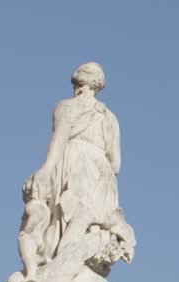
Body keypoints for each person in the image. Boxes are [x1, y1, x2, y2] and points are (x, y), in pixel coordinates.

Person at [32, 61, 121, 261]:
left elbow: (60, 139)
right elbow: (116, 163)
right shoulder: (111, 119)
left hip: (75, 162)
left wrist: (46, 170)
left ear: (77, 84)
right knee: (89, 227)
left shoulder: (66, 106)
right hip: (103, 175)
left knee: (64, 222)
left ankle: (58, 265)